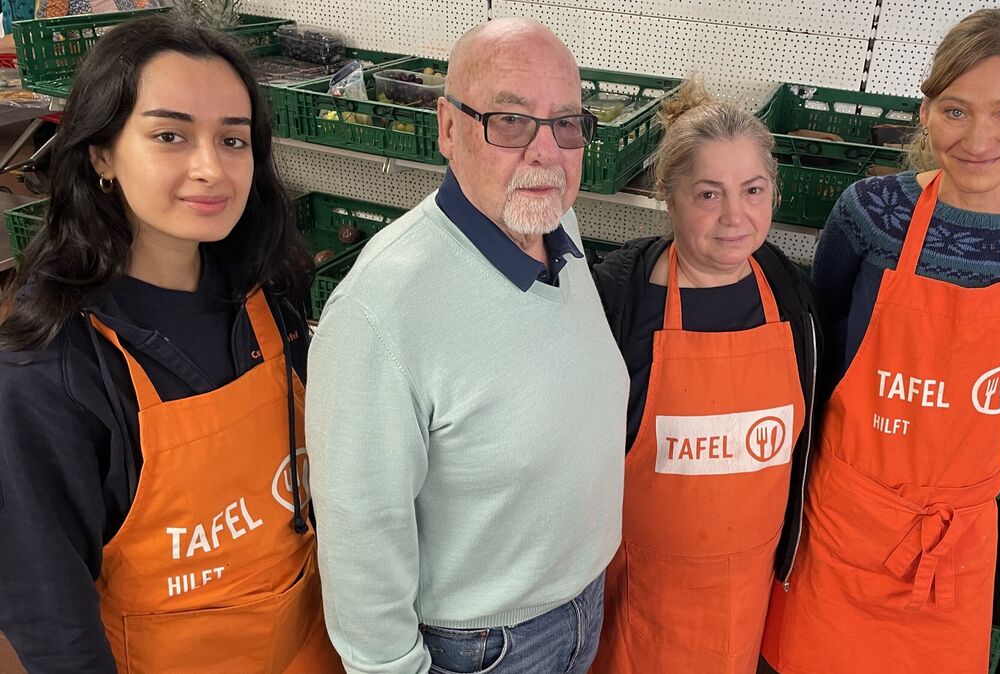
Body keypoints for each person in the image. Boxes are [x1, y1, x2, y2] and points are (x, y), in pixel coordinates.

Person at [760, 8, 1000, 673]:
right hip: (843, 515)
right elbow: (822, 346)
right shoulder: (871, 213)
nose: (979, 138)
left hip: (954, 533)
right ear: (926, 111)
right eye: (955, 110)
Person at [0, 15, 342, 674]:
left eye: (233, 139)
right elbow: (49, 610)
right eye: (169, 136)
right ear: (101, 154)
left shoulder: (268, 292)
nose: (211, 168)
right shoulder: (50, 367)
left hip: (313, 647)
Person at [305, 18, 628, 674]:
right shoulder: (380, 309)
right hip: (482, 650)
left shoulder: (557, 222)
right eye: (510, 120)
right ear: (448, 129)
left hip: (584, 607)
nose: (546, 152)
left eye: (566, 123)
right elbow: (360, 540)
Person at [588, 80, 823, 674]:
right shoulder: (616, 301)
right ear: (668, 196)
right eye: (708, 194)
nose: (735, 217)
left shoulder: (792, 298)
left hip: (745, 598)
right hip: (637, 598)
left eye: (753, 190)